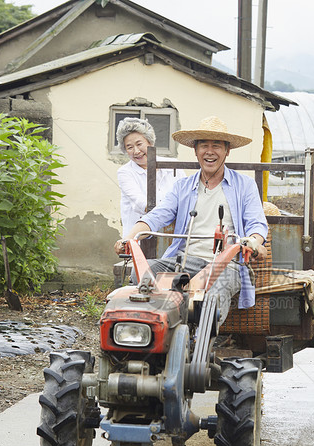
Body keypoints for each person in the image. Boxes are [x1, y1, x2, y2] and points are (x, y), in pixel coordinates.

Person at [114, 116, 268, 325]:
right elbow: (157, 216)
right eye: (204, 145)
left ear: (227, 151)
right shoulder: (183, 187)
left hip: (225, 264)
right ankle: (154, 331)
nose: (209, 151)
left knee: (210, 297)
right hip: (185, 260)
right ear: (196, 151)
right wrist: (129, 239)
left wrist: (254, 242)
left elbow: (257, 225)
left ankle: (200, 349)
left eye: (216, 146)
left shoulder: (245, 185)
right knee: (143, 274)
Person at [116, 117, 185, 237]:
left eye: (139, 144)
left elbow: (185, 197)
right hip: (139, 237)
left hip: (172, 236)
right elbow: (141, 203)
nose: (136, 151)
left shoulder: (173, 165)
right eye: (130, 147)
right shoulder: (125, 172)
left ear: (150, 142)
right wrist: (170, 210)